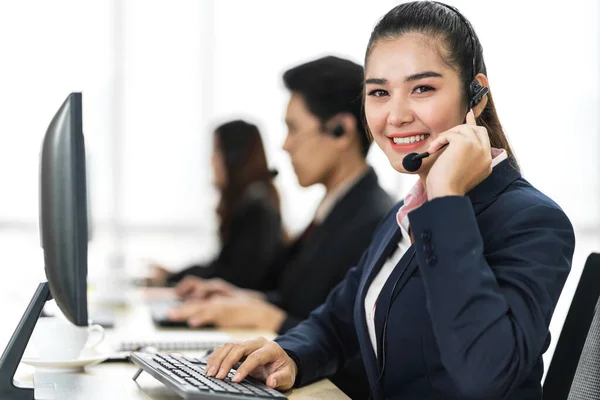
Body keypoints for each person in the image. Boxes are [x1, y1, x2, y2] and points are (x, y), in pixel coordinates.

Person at [200, 3, 576, 399]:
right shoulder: (406, 214)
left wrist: (447, 200)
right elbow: (335, 323)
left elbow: (485, 375)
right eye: (379, 92)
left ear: (476, 96)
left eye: (422, 88)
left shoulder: (532, 221)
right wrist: (287, 352)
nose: (395, 116)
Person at [167, 56, 394, 399]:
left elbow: (351, 338)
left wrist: (271, 317)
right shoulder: (334, 211)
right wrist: (246, 297)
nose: (285, 145)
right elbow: (305, 300)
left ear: (341, 130)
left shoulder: (374, 220)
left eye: (293, 128)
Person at [148, 119, 285, 292]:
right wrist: (174, 275)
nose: (212, 161)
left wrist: (174, 278)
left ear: (233, 157)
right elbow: (224, 265)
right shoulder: (257, 199)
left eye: (216, 152)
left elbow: (231, 276)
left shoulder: (255, 209)